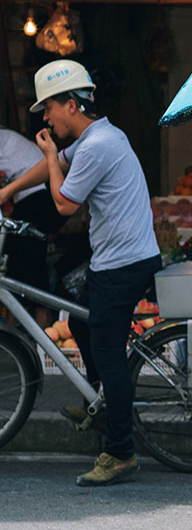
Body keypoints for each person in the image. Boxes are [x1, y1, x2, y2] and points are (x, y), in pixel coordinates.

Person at [0, 61, 160, 487]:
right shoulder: (99, 135)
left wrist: (52, 155)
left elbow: (64, 203)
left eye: (49, 109)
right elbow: (48, 166)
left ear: (71, 104)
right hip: (117, 259)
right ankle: (103, 404)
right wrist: (9, 191)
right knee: (80, 323)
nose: (45, 119)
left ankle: (121, 452)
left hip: (123, 264)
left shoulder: (95, 146)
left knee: (108, 354)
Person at [0, 123, 69, 318]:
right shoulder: (9, 138)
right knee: (19, 263)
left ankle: (39, 331)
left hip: (37, 194)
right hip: (37, 194)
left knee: (27, 263)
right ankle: (23, 330)